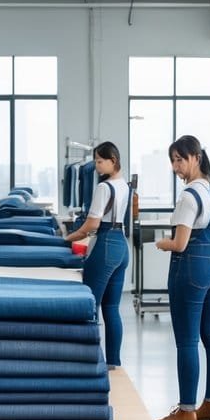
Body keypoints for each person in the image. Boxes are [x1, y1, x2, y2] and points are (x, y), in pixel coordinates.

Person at [154, 135, 210, 420]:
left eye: (180, 159)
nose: (175, 166)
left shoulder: (188, 196)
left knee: (187, 340)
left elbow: (181, 244)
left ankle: (186, 411)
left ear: (196, 157)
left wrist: (163, 243)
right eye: (172, 160)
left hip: (191, 269)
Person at [64, 141, 130, 368]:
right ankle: (113, 362)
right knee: (111, 308)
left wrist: (67, 239)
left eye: (100, 161)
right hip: (122, 244)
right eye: (96, 161)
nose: (97, 166)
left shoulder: (104, 188)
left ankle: (87, 361)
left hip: (106, 244)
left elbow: (90, 226)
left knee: (89, 305)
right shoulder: (124, 185)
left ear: (113, 160)